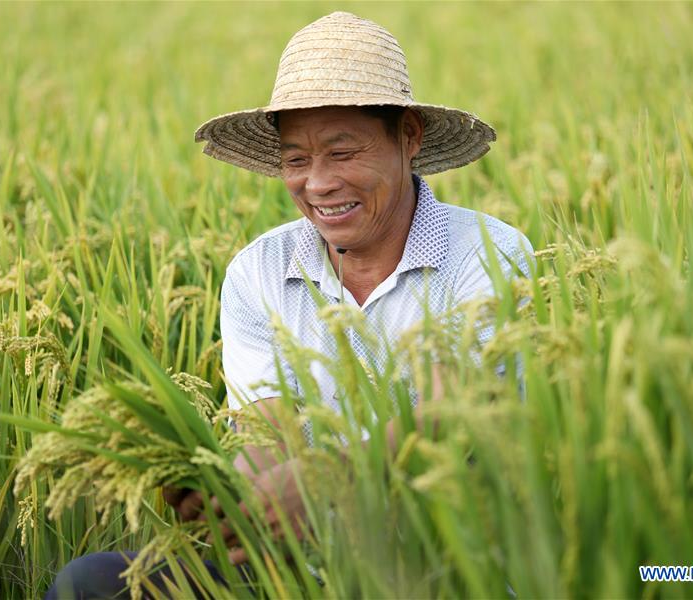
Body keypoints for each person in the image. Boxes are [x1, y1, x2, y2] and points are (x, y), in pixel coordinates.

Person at [47, 11, 532, 599]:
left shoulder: (488, 253)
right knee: (90, 585)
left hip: (446, 563)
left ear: (408, 137)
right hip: (305, 563)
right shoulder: (261, 272)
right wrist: (225, 496)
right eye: (296, 160)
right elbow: (267, 437)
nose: (318, 184)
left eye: (342, 153)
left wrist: (329, 477)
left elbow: (448, 409)